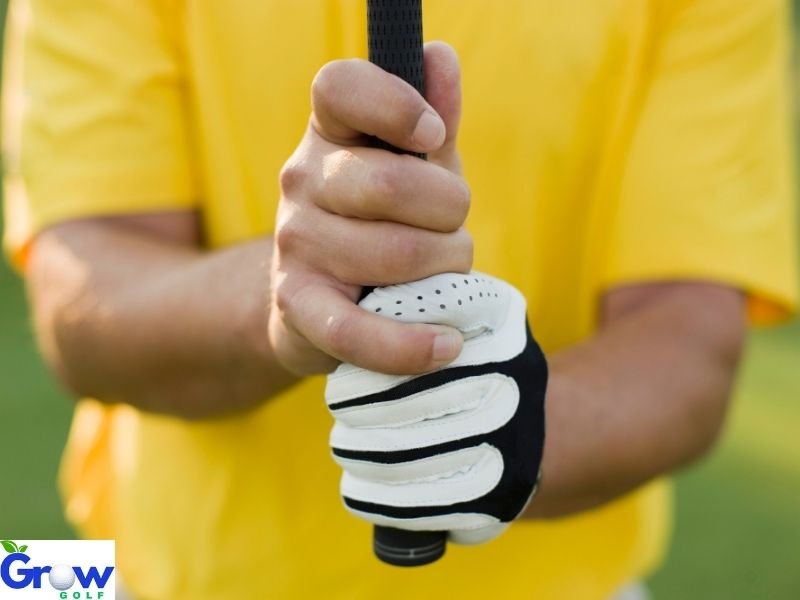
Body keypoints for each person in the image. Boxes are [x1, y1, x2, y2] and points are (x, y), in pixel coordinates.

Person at [2, 0, 796, 598]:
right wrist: (292, 300)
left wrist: (515, 429)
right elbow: (85, 291)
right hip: (161, 577)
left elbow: (690, 340)